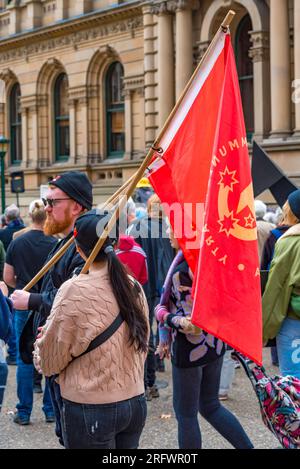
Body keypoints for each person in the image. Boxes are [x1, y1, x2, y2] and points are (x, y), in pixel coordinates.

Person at [33, 211, 149, 449]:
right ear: (114, 244)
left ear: (78, 248)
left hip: (91, 406)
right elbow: (143, 339)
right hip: (134, 401)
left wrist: (41, 343)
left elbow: (50, 362)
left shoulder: (73, 290)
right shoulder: (132, 285)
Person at [10, 171, 93, 440]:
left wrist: (31, 300)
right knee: (64, 434)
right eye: (46, 200)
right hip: (58, 359)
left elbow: (77, 298)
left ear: (76, 206)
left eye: (53, 201)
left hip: (74, 363)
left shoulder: (87, 247)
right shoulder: (64, 243)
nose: (46, 207)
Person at [155, 227, 254, 449]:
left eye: (173, 229)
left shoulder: (182, 271)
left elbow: (184, 320)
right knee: (211, 406)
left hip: (190, 350)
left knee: (186, 414)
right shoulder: (212, 261)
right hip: (214, 344)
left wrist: (163, 315)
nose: (169, 233)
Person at [4, 200, 57, 425]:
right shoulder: (55, 244)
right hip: (46, 304)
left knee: (25, 358)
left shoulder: (18, 242)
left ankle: (24, 412)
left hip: (24, 305)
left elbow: (8, 278)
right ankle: (50, 410)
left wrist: (21, 285)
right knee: (51, 356)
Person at [128, 194, 174, 397]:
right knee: (160, 327)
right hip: (165, 285)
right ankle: (155, 372)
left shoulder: (138, 227)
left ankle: (149, 382)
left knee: (145, 331)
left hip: (144, 286)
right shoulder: (170, 228)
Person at [263, 190, 300, 379]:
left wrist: (264, 328)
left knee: (293, 380)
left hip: (293, 320)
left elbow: (276, 287)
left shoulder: (289, 241)